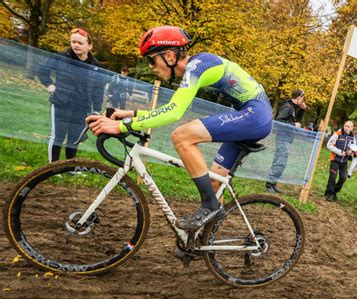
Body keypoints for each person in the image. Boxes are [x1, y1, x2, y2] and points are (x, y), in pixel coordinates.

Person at [86, 26, 273, 232]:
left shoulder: (197, 67)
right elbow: (171, 109)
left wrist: (120, 126)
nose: (151, 67)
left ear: (168, 55)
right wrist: (132, 114)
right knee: (212, 183)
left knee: (182, 136)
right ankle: (200, 244)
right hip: (250, 116)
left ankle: (210, 206)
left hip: (255, 116)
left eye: (151, 60)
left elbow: (174, 113)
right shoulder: (196, 66)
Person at [38, 28, 104, 162]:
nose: (76, 45)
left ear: (89, 46)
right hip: (61, 103)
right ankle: (53, 168)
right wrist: (50, 85)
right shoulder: (60, 57)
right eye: (73, 42)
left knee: (74, 138)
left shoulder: (96, 66)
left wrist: (96, 109)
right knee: (58, 136)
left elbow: (99, 89)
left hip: (82, 107)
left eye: (80, 43)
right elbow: (42, 71)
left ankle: (70, 167)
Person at [265, 89, 306, 193]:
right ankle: (270, 184)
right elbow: (279, 121)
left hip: (288, 139)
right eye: (302, 98)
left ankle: (273, 183)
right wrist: (293, 125)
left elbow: (297, 121)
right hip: (282, 138)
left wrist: (302, 110)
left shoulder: (294, 107)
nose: (303, 100)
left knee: (281, 161)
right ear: (298, 98)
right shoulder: (287, 106)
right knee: (280, 161)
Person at [324, 121, 355, 201]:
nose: (346, 127)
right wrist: (340, 152)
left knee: (343, 178)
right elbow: (329, 145)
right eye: (345, 125)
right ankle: (329, 194)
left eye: (348, 126)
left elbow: (354, 149)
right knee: (332, 178)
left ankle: (334, 191)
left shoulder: (352, 137)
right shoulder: (338, 134)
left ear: (351, 128)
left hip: (344, 162)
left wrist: (351, 152)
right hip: (335, 160)